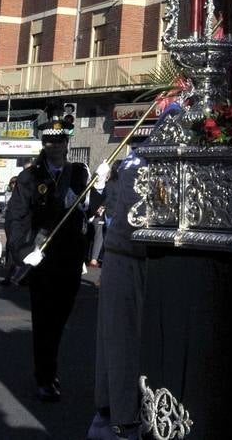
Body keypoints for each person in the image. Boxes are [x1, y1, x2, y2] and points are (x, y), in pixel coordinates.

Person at [5, 129, 90, 402]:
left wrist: (98, 189)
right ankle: (45, 377)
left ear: (67, 144)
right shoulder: (30, 176)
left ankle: (48, 365)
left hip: (70, 257)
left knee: (60, 319)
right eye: (48, 141)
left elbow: (93, 209)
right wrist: (22, 251)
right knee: (43, 321)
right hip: (41, 256)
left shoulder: (79, 173)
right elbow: (16, 216)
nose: (53, 146)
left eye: (59, 141)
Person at [87, 146, 147, 440]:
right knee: (121, 342)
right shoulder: (134, 166)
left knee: (118, 341)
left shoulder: (131, 165)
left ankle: (116, 409)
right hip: (126, 255)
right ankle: (120, 413)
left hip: (125, 254)